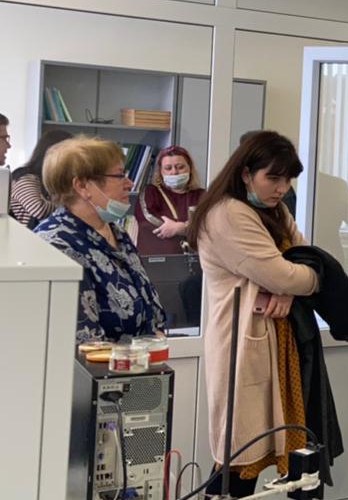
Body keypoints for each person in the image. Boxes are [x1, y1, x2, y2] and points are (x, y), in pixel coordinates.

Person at [187, 132, 320, 500]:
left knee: (258, 450)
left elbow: (305, 256)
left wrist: (289, 289)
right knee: (237, 455)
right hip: (242, 342)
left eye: (287, 179)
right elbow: (289, 272)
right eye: (273, 178)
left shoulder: (273, 210)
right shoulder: (228, 214)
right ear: (246, 173)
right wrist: (296, 283)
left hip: (276, 337)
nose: (282, 188)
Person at [34, 136, 165, 342]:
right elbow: (83, 341)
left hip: (142, 358)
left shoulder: (116, 233)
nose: (129, 183)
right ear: (82, 186)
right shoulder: (56, 244)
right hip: (101, 363)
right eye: (120, 176)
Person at [134, 145, 204, 255]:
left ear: (190, 169)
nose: (174, 172)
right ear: (161, 172)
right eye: (168, 168)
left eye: (180, 167)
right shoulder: (151, 192)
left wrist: (181, 228)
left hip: (195, 259)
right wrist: (190, 227)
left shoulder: (202, 195)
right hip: (156, 258)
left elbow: (211, 224)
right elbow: (147, 219)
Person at [9, 128, 71, 228]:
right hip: (27, 235)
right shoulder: (25, 177)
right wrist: (71, 205)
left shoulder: (54, 179)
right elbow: (39, 209)